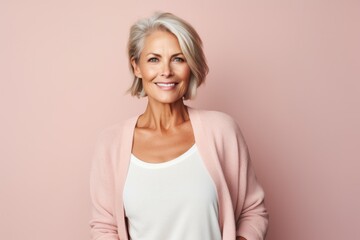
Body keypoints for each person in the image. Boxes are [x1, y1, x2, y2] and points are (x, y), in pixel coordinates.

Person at [89, 12, 268, 240]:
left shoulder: (222, 131)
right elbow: (105, 228)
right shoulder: (111, 144)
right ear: (137, 67)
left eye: (178, 59)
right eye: (154, 59)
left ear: (190, 66)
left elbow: (253, 211)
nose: (166, 71)